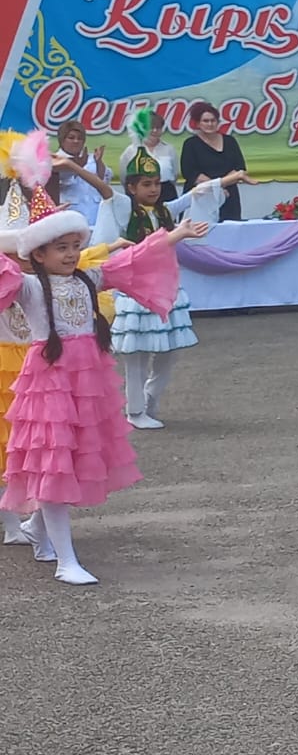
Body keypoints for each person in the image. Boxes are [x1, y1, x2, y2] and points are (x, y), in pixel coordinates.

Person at [0, 134, 206, 585]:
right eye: (60, 248)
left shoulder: (88, 278)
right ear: (37, 253)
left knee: (74, 456)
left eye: (75, 245)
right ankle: (64, 559)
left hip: (87, 378)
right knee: (53, 460)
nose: (72, 253)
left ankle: (38, 528)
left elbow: (134, 258)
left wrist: (176, 234)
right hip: (49, 379)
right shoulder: (30, 285)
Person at [93, 110, 235, 429]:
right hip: (135, 292)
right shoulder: (125, 208)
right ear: (131, 187)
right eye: (147, 183)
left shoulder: (164, 210)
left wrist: (228, 179)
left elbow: (191, 196)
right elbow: (105, 192)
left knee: (170, 350)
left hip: (166, 289)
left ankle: (148, 397)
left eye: (157, 183)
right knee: (137, 356)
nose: (154, 188)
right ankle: (135, 411)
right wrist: (76, 167)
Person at [179, 102, 251, 222]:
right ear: (197, 123)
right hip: (201, 197)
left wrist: (222, 186)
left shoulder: (230, 141)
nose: (210, 124)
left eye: (213, 120)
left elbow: (239, 167)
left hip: (229, 196)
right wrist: (216, 188)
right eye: (205, 121)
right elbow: (191, 173)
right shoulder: (190, 144)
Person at [53, 121, 111, 224]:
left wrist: (99, 163)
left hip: (95, 217)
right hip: (69, 218)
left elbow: (104, 180)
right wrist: (77, 167)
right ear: (62, 140)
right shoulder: (55, 160)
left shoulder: (91, 159)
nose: (76, 141)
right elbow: (60, 178)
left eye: (80, 138)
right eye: (71, 138)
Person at [117, 110, 179, 203]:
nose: (154, 131)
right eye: (151, 127)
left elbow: (174, 174)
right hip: (139, 196)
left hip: (166, 194)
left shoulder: (169, 149)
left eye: (158, 128)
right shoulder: (130, 151)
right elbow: (124, 178)